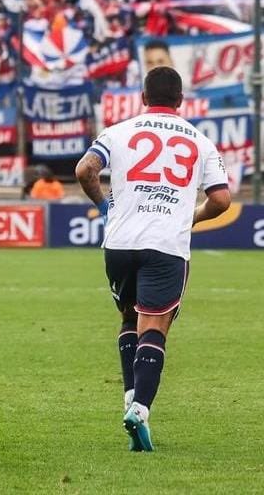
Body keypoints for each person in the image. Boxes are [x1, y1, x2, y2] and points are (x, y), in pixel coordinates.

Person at [75, 66, 230, 452]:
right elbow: (222, 199)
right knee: (155, 328)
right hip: (166, 243)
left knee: (129, 318)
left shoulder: (119, 131)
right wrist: (192, 216)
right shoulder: (200, 141)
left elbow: (85, 169)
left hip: (120, 242)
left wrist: (105, 206)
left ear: (142, 98)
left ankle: (130, 396)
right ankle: (140, 409)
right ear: (180, 101)